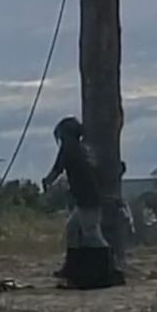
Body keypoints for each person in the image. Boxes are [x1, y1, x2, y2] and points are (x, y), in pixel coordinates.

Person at [41, 116, 107, 279]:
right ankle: (72, 266)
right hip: (85, 198)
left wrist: (48, 180)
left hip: (86, 199)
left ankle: (108, 265)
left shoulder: (69, 148)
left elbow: (58, 167)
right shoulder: (79, 148)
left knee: (92, 234)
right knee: (72, 229)